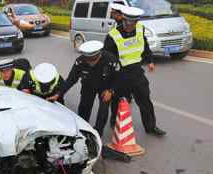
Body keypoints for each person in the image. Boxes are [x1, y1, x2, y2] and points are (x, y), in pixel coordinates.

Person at [104, 6, 166, 137]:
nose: (129, 26)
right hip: (120, 74)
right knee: (117, 102)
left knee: (145, 101)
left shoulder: (140, 29)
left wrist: (150, 60)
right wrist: (109, 81)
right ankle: (115, 122)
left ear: (136, 22)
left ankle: (151, 127)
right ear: (123, 20)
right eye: (127, 23)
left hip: (137, 72)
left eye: (132, 23)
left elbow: (145, 46)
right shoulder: (112, 36)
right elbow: (108, 59)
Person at [54, 41, 120, 137]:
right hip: (88, 86)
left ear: (99, 54)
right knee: (84, 108)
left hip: (106, 87)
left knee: (103, 110)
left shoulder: (111, 60)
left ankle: (97, 133)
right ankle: (83, 130)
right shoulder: (80, 61)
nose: (90, 63)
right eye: (88, 60)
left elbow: (119, 78)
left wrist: (111, 91)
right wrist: (59, 94)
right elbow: (71, 80)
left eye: (93, 60)